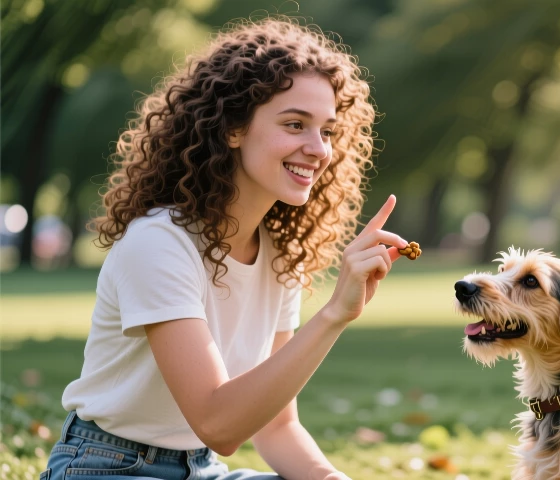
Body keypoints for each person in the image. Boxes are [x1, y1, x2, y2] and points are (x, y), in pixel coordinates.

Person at [42, 16, 407, 480]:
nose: (318, 149)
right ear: (233, 128)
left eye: (328, 131)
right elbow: (219, 424)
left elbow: (278, 428)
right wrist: (336, 313)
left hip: (201, 469)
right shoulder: (160, 242)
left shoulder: (279, 254)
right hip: (107, 466)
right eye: (295, 124)